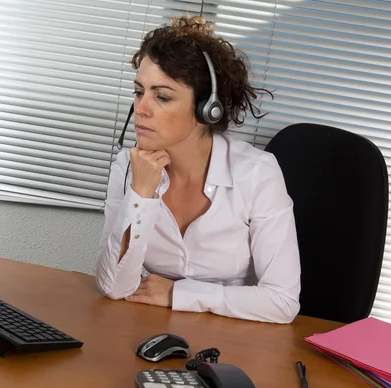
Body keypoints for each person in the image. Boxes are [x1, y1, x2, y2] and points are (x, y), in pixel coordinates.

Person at [94, 15, 301, 324]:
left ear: (207, 109)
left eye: (162, 96)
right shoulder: (129, 167)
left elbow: (282, 301)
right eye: (139, 92)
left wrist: (181, 294)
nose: (142, 108)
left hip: (237, 337)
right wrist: (141, 194)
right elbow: (114, 285)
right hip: (152, 328)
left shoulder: (257, 174)